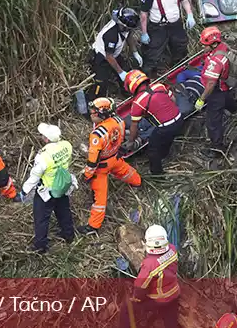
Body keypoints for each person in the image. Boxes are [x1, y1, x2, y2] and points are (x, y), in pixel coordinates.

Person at [80, 98, 141, 234]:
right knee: (127, 172)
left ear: (102, 114)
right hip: (115, 157)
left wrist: (87, 175)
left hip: (101, 167)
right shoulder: (118, 121)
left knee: (100, 198)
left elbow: (93, 160)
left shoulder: (97, 134)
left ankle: (93, 226)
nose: (91, 115)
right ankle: (138, 182)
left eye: (93, 113)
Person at [22, 123, 77, 254]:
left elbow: (35, 176)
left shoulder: (43, 156)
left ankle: (40, 246)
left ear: (46, 139)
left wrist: (24, 190)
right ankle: (68, 235)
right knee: (64, 211)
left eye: (43, 136)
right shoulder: (66, 146)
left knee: (41, 218)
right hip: (62, 186)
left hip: (47, 191)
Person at [138, 0, 197, 75]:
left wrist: (190, 15)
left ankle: (179, 70)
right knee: (153, 52)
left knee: (180, 47)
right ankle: (148, 76)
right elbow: (143, 14)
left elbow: (184, 0)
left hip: (175, 25)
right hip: (158, 28)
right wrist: (144, 33)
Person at [120, 225, 181, 328]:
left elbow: (140, 287)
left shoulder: (149, 264)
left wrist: (136, 298)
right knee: (171, 320)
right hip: (174, 293)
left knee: (127, 308)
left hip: (159, 299)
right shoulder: (172, 249)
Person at [123, 70, 183, 175]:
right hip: (179, 118)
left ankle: (157, 174)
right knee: (165, 138)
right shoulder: (159, 86)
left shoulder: (138, 102)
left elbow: (134, 126)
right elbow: (173, 99)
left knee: (152, 150)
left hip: (165, 127)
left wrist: (131, 142)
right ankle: (165, 154)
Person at [87, 7, 142, 101]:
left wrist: (135, 52)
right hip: (102, 57)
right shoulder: (111, 35)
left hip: (114, 55)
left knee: (128, 75)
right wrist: (120, 72)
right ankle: (96, 103)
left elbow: (129, 36)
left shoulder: (125, 28)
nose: (129, 30)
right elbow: (109, 56)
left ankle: (127, 94)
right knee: (101, 83)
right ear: (123, 25)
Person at [197, 27, 237, 152]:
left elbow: (210, 84)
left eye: (206, 45)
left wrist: (201, 99)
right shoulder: (223, 47)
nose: (203, 48)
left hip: (216, 91)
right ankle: (235, 109)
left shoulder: (216, 61)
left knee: (213, 121)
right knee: (228, 99)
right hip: (225, 86)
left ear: (214, 44)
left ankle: (217, 147)